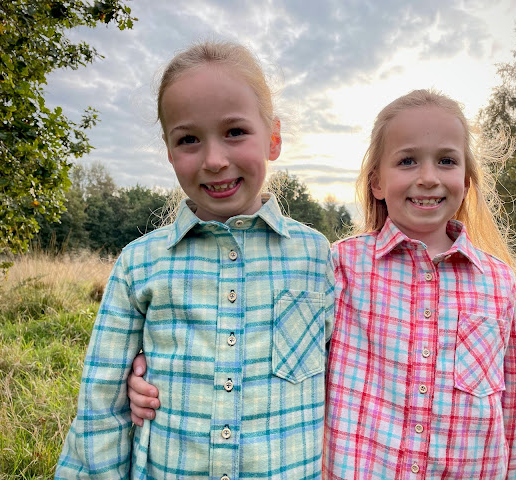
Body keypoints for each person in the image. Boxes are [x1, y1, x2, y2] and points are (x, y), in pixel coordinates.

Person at [128, 89, 516, 479]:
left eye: (446, 161)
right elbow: (255, 333)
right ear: (377, 183)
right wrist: (157, 369)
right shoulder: (338, 266)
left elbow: (510, 408)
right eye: (407, 161)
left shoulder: (497, 282)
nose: (428, 177)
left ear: (466, 181)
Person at [55, 41, 334, 480]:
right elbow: (100, 406)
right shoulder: (138, 264)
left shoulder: (318, 257)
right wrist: (129, 389)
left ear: (273, 138)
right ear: (169, 151)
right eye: (188, 140)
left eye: (235, 132)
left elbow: (353, 380)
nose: (214, 160)